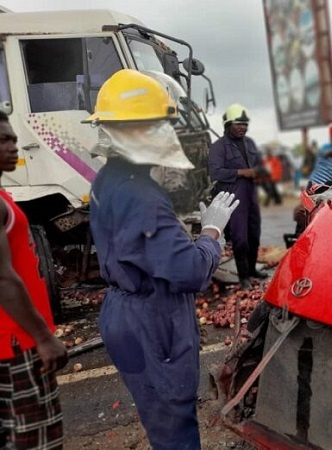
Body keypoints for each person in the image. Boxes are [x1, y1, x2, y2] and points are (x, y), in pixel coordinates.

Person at [85, 70, 239, 450]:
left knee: (155, 410)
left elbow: (138, 242)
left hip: (122, 311)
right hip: (152, 320)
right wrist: (211, 233)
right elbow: (189, 272)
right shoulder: (143, 195)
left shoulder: (106, 179)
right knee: (173, 419)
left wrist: (174, 230)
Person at [0, 111, 68, 449]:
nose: (14, 146)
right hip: (17, 344)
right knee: (37, 440)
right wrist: (43, 337)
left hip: (10, 341)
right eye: (4, 140)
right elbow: (2, 277)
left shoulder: (4, 196)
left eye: (12, 138)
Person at [208, 104, 268, 290]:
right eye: (238, 123)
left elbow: (258, 164)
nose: (242, 127)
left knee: (254, 234)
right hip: (233, 196)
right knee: (240, 238)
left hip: (251, 193)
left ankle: (251, 270)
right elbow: (215, 172)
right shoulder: (218, 147)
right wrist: (242, 172)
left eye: (245, 124)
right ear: (227, 124)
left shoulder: (249, 143)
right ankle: (243, 277)